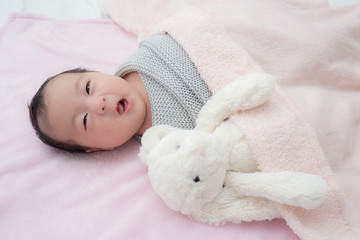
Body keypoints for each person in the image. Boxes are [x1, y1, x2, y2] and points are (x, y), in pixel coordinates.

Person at [29, 34, 212, 152]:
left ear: (97, 73)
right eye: (85, 120)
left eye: (87, 88)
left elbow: (184, 31)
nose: (98, 104)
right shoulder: (165, 144)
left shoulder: (147, 54)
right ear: (97, 148)